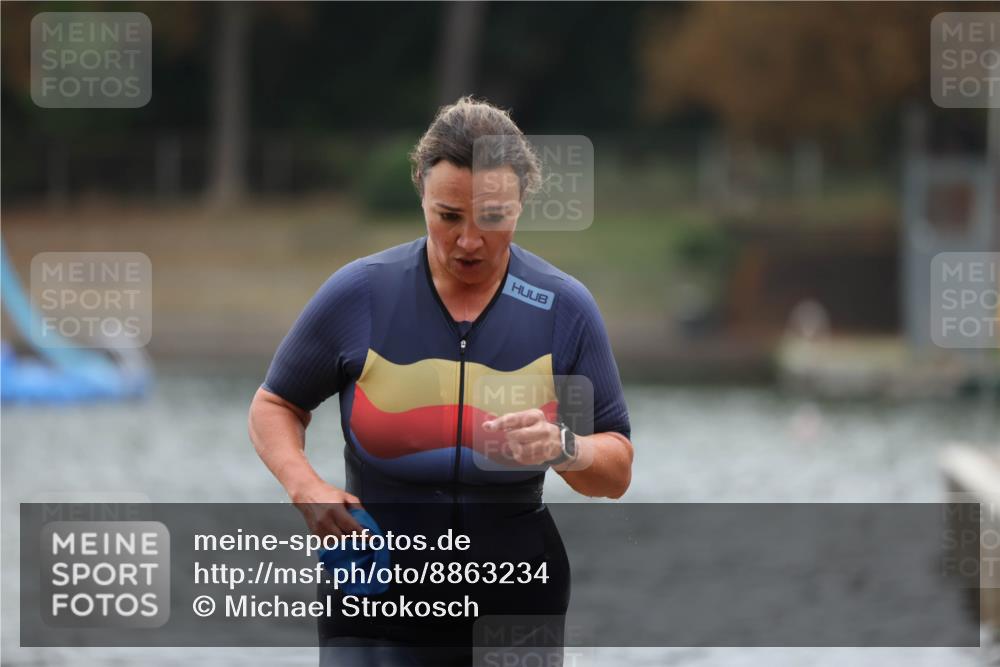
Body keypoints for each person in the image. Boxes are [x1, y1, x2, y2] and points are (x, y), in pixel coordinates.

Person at [248, 96, 633, 666]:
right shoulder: (363, 294)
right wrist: (304, 486)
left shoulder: (562, 308)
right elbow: (276, 404)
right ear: (422, 197)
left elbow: (616, 469)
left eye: (492, 217)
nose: (469, 241)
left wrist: (564, 446)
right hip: (372, 594)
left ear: (521, 203)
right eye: (449, 216)